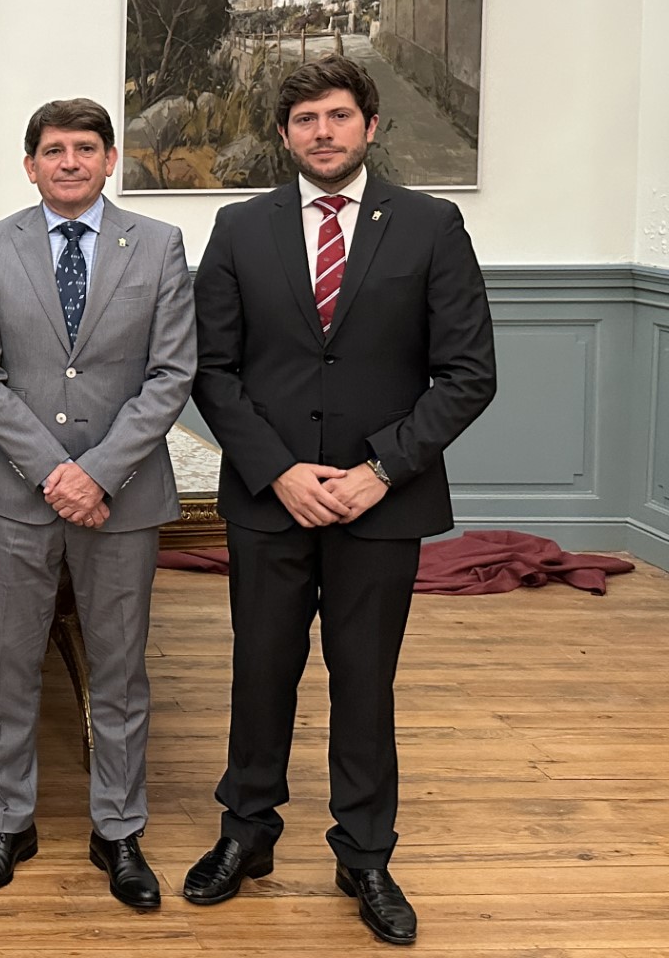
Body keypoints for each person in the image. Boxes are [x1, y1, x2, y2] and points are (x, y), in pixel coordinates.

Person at [182, 55, 496, 946]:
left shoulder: (432, 226)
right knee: (260, 671)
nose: (323, 132)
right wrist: (279, 470)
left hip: (381, 505)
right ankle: (246, 833)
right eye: (306, 119)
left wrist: (378, 470)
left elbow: (469, 374)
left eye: (338, 116)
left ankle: (364, 854)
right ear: (283, 134)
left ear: (369, 125)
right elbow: (213, 366)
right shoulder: (241, 229)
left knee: (365, 682)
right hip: (268, 497)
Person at [0, 98, 193, 905]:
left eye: (84, 148)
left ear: (110, 159)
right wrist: (53, 472)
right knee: (9, 663)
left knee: (120, 671)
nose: (68, 162)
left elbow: (171, 375)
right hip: (15, 494)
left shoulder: (160, 245)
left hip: (121, 499)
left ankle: (119, 831)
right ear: (30, 165)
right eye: (52, 150)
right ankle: (8, 821)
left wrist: (98, 474)